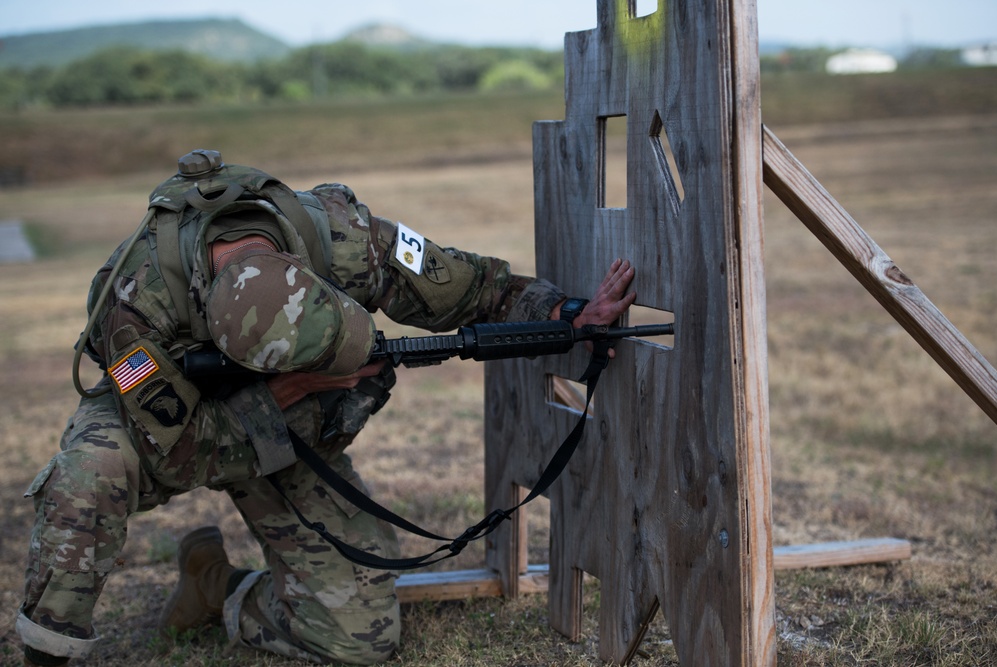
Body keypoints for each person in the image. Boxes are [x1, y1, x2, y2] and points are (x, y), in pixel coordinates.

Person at [17, 150, 636, 666]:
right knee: (89, 473)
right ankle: (45, 649)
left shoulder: (345, 238)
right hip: (168, 424)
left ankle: (213, 586)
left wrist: (564, 316)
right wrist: (290, 391)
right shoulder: (132, 309)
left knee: (361, 636)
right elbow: (179, 452)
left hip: (283, 433)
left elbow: (473, 286)